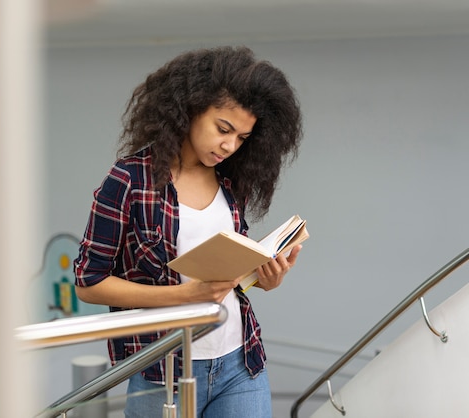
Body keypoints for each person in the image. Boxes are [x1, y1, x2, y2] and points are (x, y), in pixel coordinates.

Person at [73, 45, 303, 418]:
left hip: (239, 361)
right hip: (163, 372)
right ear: (190, 108)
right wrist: (183, 295)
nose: (230, 145)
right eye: (223, 129)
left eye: (242, 138)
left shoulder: (231, 183)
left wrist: (264, 280)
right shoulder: (129, 181)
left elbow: (223, 280)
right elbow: (88, 282)